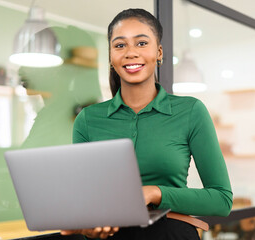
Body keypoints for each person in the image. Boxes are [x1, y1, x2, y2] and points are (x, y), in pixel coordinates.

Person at [61, 8, 232, 240]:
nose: (131, 53)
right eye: (120, 45)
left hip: (171, 234)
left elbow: (222, 200)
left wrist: (154, 193)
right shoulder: (88, 119)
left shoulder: (190, 111)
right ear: (111, 57)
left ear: (159, 52)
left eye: (141, 43)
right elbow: (84, 198)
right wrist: (88, 225)